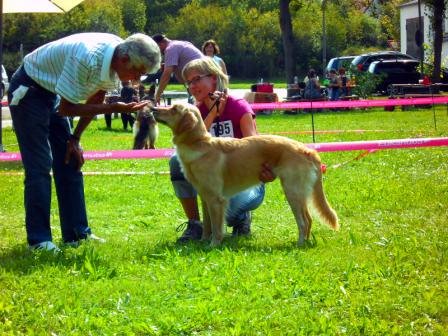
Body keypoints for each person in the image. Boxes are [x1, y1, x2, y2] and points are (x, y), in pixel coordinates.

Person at [7, 32, 161, 251]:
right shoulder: (87, 58)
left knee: (70, 160)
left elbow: (96, 98)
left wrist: (74, 138)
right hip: (29, 90)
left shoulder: (118, 54)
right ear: (124, 60)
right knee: (40, 166)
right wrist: (114, 108)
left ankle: (77, 234)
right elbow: (67, 109)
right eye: (137, 72)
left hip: (52, 92)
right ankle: (39, 241)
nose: (136, 80)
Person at [169, 57, 275, 242]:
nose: (192, 86)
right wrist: (213, 114)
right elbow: (192, 141)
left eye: (196, 79)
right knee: (175, 162)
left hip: (246, 181)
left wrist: (269, 172)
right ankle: (195, 223)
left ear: (213, 78)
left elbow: (255, 147)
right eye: (188, 82)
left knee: (226, 207)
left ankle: (241, 218)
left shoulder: (238, 106)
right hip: (214, 180)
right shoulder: (195, 112)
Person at [151, 34, 204, 104]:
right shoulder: (179, 44)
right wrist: (170, 66)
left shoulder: (170, 49)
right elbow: (181, 79)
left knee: (196, 105)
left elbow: (166, 75)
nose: (158, 51)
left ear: (161, 43)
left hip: (201, 77)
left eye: (156, 48)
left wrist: (157, 95)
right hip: (202, 76)